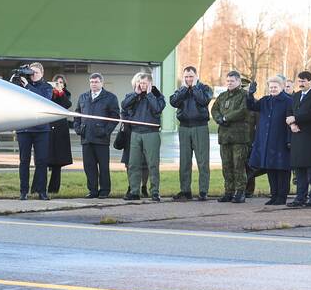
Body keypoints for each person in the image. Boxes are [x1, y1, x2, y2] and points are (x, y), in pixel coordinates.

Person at [169, 66, 213, 201]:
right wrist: (184, 89)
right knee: (184, 161)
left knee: (203, 161)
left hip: (200, 127)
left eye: (191, 76)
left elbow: (204, 100)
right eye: (186, 77)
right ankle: (185, 190)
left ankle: (203, 191)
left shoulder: (205, 88)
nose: (188, 79)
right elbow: (173, 102)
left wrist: (194, 88)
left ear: (196, 76)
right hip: (184, 128)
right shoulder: (181, 89)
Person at [248, 76, 292, 205]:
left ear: (282, 87)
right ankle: (274, 195)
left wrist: (289, 140)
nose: (272, 89)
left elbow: (291, 120)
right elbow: (251, 106)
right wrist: (250, 94)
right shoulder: (265, 100)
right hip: (266, 140)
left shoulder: (288, 101)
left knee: (282, 169)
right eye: (271, 87)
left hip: (281, 140)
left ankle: (282, 196)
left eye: (275, 87)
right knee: (270, 168)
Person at [74, 73, 119, 199]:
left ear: (101, 83)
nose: (93, 84)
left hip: (101, 139)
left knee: (103, 166)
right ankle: (92, 190)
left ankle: (104, 190)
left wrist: (105, 131)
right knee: (89, 166)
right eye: (92, 82)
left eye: (96, 82)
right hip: (86, 138)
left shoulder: (110, 98)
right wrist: (78, 129)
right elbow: (77, 114)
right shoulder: (83, 97)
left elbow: (115, 117)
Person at [122, 72, 165, 201]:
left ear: (150, 84)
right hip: (135, 133)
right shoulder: (133, 95)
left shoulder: (157, 96)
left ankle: (155, 191)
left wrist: (150, 94)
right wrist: (136, 94)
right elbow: (124, 105)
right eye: (140, 83)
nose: (142, 85)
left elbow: (157, 109)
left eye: (145, 83)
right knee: (133, 163)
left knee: (152, 164)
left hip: (151, 133)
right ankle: (134, 191)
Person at [286, 71, 311, 208]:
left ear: (310, 81)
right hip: (297, 135)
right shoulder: (296, 95)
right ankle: (300, 197)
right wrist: (292, 124)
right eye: (299, 81)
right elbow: (290, 111)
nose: (301, 84)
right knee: (299, 169)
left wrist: (296, 119)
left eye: (303, 81)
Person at [15, 62, 53, 200]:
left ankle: (41, 191)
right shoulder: (20, 85)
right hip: (24, 129)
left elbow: (43, 99)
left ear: (42, 73)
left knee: (42, 161)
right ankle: (23, 191)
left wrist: (28, 86)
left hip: (41, 130)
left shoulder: (47, 87)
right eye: (31, 72)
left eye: (36, 72)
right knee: (24, 161)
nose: (33, 75)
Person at [212, 70, 250, 203]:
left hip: (239, 136)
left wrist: (226, 118)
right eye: (228, 81)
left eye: (232, 81)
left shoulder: (244, 95)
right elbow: (214, 109)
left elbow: (243, 111)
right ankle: (229, 191)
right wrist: (218, 118)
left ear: (239, 82)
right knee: (226, 165)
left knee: (238, 165)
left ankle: (240, 192)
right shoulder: (222, 96)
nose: (229, 83)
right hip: (224, 136)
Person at [47, 75, 74, 194]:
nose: (59, 84)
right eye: (56, 82)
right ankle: (38, 187)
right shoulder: (48, 92)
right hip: (48, 127)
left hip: (60, 130)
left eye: (61, 82)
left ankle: (54, 189)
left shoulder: (66, 94)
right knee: (44, 159)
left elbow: (66, 105)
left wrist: (60, 92)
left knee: (57, 162)